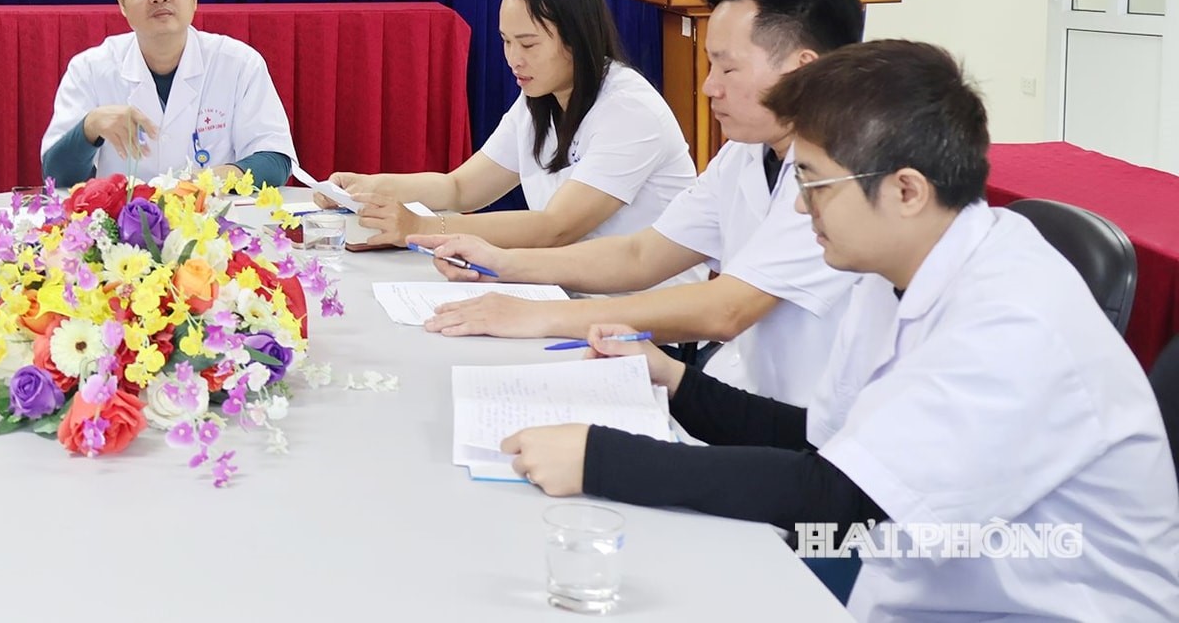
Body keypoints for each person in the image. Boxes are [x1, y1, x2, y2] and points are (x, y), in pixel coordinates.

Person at [500, 41, 1179, 622]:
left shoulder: (1014, 320)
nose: (801, 207)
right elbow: (825, 442)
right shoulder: (897, 267)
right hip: (923, 583)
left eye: (816, 183)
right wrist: (676, 381)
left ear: (906, 190)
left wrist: (599, 459)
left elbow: (844, 502)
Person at [411, 0, 865, 406]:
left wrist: (537, 315)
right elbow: (642, 254)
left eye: (728, 69)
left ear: (802, 69)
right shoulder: (745, 153)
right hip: (739, 387)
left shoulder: (842, 174)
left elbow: (726, 309)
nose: (709, 87)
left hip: (804, 419)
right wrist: (502, 262)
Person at [321, 0, 695, 250]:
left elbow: (556, 228)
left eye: (528, 44)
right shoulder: (538, 99)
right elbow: (460, 188)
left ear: (577, 38)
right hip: (570, 292)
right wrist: (367, 189)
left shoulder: (629, 110)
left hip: (638, 308)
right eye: (506, 41)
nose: (514, 59)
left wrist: (420, 226)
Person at [40, 0, 295, 189]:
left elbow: (276, 160)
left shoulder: (239, 63)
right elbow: (57, 176)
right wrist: (90, 126)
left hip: (215, 212)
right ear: (122, 4)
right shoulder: (89, 68)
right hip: (124, 216)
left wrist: (212, 180)